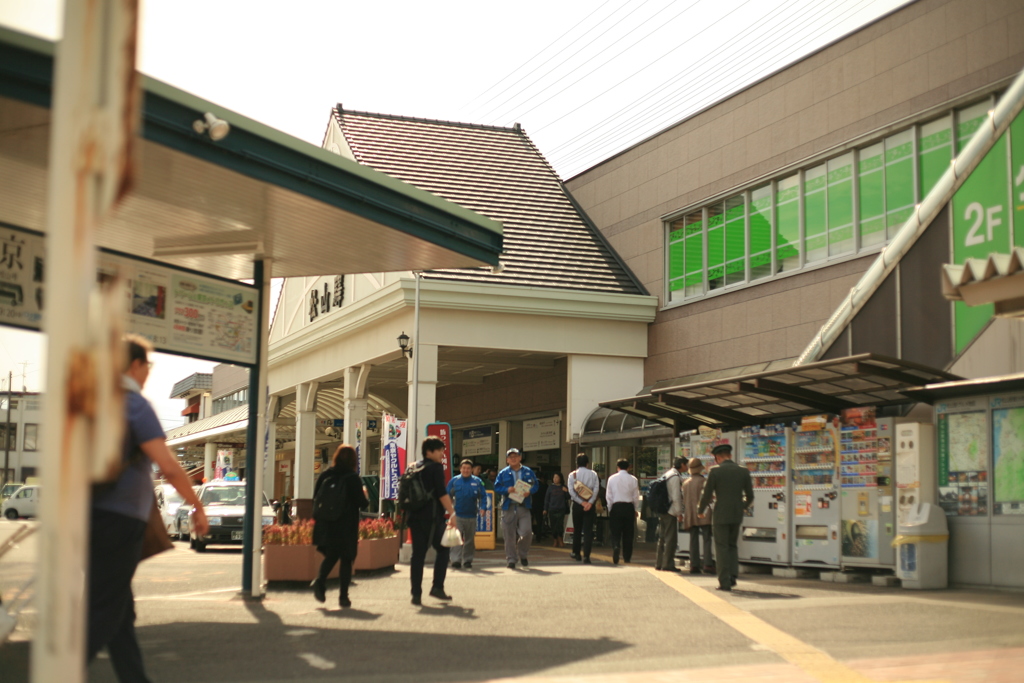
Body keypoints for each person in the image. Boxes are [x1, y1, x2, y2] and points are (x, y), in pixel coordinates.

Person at [89, 334, 209, 682]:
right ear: (136, 365)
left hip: (93, 517)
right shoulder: (134, 404)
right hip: (120, 521)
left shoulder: (97, 401)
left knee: (119, 612)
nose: (148, 374)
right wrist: (197, 505)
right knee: (106, 611)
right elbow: (168, 466)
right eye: (148, 366)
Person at [312, 444, 368, 608]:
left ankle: (320, 581)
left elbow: (316, 497)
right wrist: (364, 493)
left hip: (326, 523)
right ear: (353, 460)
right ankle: (343, 597)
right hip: (345, 524)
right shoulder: (352, 478)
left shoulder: (325, 475)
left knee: (331, 555)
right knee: (346, 559)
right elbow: (362, 503)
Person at [408, 436, 458, 605]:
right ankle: (437, 587)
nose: (442, 454)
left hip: (414, 517)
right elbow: (441, 493)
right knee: (443, 549)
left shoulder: (413, 467)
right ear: (429, 452)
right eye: (440, 451)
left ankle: (416, 594)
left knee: (418, 555)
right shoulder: (436, 468)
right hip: (432, 518)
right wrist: (452, 513)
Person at [698, 444, 754, 591]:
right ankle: (733, 575)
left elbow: (707, 494)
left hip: (721, 513)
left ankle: (724, 581)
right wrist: (741, 506)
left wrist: (700, 510)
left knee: (721, 547)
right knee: (732, 545)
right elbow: (750, 496)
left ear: (717, 457)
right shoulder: (743, 471)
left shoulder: (715, 471)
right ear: (729, 455)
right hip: (737, 514)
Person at [495, 448, 539, 569]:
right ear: (507, 460)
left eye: (516, 456)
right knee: (509, 535)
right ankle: (511, 559)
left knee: (527, 532)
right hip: (509, 506)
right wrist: (506, 490)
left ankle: (523, 554)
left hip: (524, 506)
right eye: (511, 457)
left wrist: (529, 491)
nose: (513, 459)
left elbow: (536, 485)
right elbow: (497, 487)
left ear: (520, 458)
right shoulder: (503, 473)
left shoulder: (528, 471)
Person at [446, 458, 484, 569]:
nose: (466, 470)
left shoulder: (477, 481)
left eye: (468, 468)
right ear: (460, 469)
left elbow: (483, 496)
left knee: (469, 540)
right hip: (457, 515)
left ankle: (467, 560)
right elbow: (447, 495)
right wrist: (449, 510)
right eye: (463, 468)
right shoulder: (454, 481)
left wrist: (483, 507)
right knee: (456, 538)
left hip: (472, 516)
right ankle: (455, 560)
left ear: (472, 469)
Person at [605, 458, 640, 565]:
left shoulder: (611, 478)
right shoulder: (633, 479)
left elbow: (609, 496)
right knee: (628, 533)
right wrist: (635, 509)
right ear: (628, 467)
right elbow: (636, 496)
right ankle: (627, 557)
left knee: (615, 531)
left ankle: (616, 546)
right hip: (628, 507)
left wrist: (611, 508)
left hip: (616, 507)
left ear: (617, 467)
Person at [567, 453, 600, 564]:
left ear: (577, 463)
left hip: (577, 505)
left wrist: (581, 503)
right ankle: (587, 556)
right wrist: (589, 503)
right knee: (588, 531)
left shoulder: (573, 475)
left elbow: (571, 491)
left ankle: (576, 553)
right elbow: (596, 490)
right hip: (590, 505)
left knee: (577, 529)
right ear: (587, 463)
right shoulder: (593, 474)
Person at [682, 458, 713, 574]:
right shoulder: (704, 481)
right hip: (704, 513)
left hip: (690, 513)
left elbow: (684, 500)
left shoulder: (685, 483)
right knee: (707, 538)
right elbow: (709, 498)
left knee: (693, 539)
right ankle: (708, 564)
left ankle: (694, 565)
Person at [656, 457, 686, 572]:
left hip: (663, 509)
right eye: (685, 465)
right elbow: (676, 497)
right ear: (682, 465)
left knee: (662, 537)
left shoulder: (667, 474)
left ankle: (659, 563)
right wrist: (679, 513)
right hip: (670, 511)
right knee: (670, 539)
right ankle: (668, 564)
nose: (687, 467)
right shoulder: (675, 477)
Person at [544, 472, 569, 547]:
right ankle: (555, 540)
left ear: (560, 478)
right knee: (553, 526)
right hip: (552, 509)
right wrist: (545, 509)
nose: (555, 479)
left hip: (561, 509)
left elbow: (569, 497)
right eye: (554, 477)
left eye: (557, 477)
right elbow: (547, 499)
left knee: (559, 525)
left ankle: (560, 539)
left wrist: (566, 491)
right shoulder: (550, 488)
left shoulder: (564, 487)